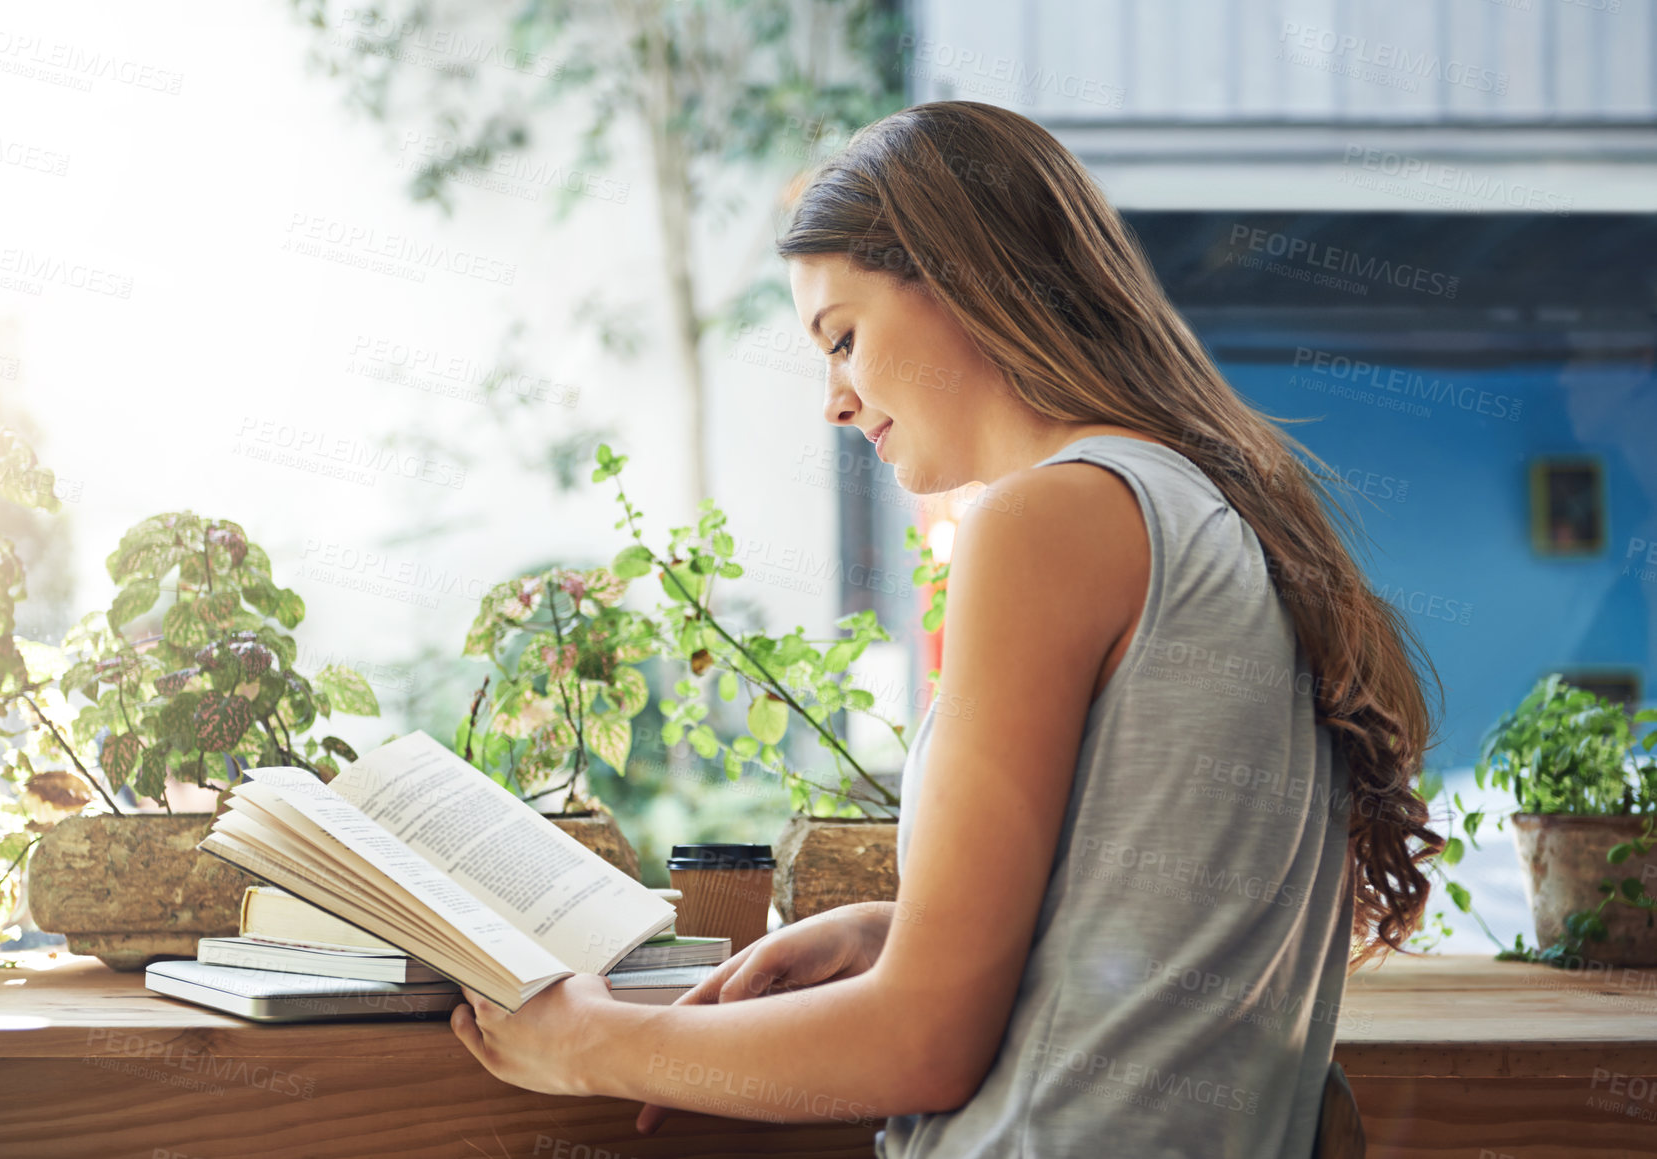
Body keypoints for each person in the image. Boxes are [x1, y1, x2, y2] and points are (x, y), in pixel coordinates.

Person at [450, 99, 1444, 1157]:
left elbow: (922, 1043)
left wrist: (594, 1044)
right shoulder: (1212, 511)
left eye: (842, 338)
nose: (834, 400)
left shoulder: (1048, 521)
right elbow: (1163, 945)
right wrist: (896, 933)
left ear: (964, 279)